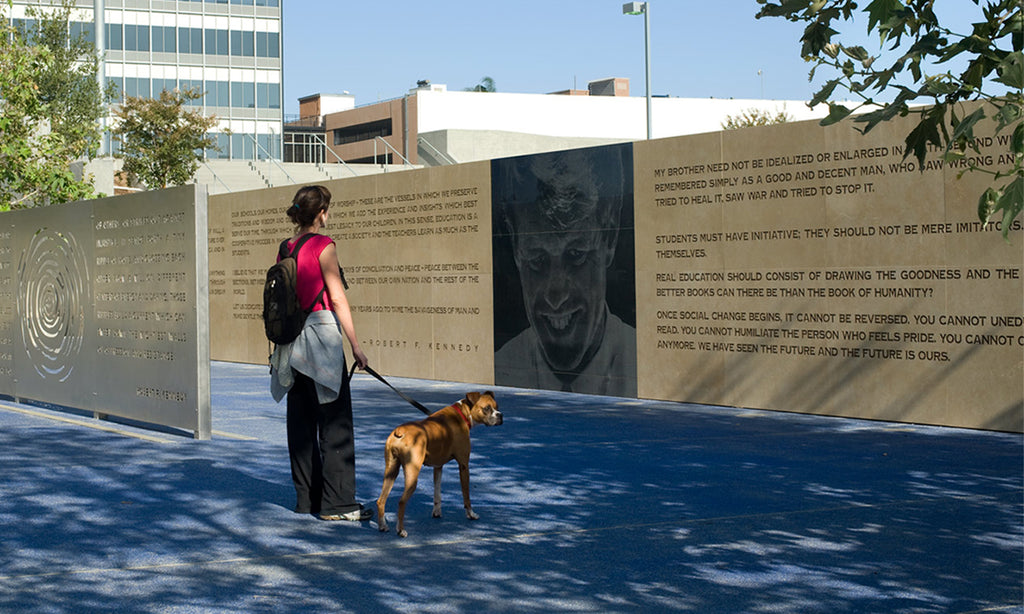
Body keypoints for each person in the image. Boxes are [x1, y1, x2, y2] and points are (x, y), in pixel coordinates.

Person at [492, 145, 637, 397]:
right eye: (537, 260)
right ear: (516, 249)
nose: (555, 297)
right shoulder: (501, 367)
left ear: (610, 237)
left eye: (576, 255)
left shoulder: (639, 362)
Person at [270, 184, 371, 521]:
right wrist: (355, 344)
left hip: (290, 340)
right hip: (321, 336)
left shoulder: (286, 247)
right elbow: (337, 297)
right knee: (335, 421)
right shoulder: (323, 246)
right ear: (322, 212)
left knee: (300, 420)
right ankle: (338, 504)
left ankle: (307, 499)